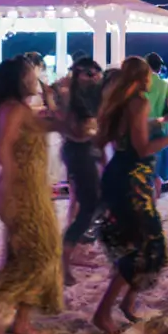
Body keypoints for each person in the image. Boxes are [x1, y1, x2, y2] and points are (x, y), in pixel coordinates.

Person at [93, 57, 168, 334]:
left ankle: (128, 303)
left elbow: (115, 138)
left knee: (141, 243)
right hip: (133, 179)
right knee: (144, 246)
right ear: (144, 77)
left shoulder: (119, 103)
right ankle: (104, 311)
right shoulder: (138, 101)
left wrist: (156, 123)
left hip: (120, 175)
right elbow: (142, 148)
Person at [0, 57, 64, 334]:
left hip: (33, 192)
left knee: (24, 255)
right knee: (40, 254)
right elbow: (2, 148)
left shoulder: (22, 109)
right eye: (32, 75)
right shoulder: (12, 109)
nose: (36, 78)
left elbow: (60, 125)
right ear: (19, 79)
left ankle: (22, 322)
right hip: (20, 193)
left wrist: (51, 100)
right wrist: (8, 185)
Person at [59, 57, 104, 285]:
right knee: (88, 204)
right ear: (78, 73)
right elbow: (77, 130)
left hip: (85, 150)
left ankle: (74, 251)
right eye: (89, 73)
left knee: (88, 204)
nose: (94, 77)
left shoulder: (88, 94)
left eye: (96, 73)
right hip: (78, 151)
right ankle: (67, 257)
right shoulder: (69, 95)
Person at [144, 52, 168, 194]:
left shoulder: (139, 83)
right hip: (159, 129)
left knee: (142, 166)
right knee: (156, 167)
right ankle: (155, 198)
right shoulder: (164, 86)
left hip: (141, 128)